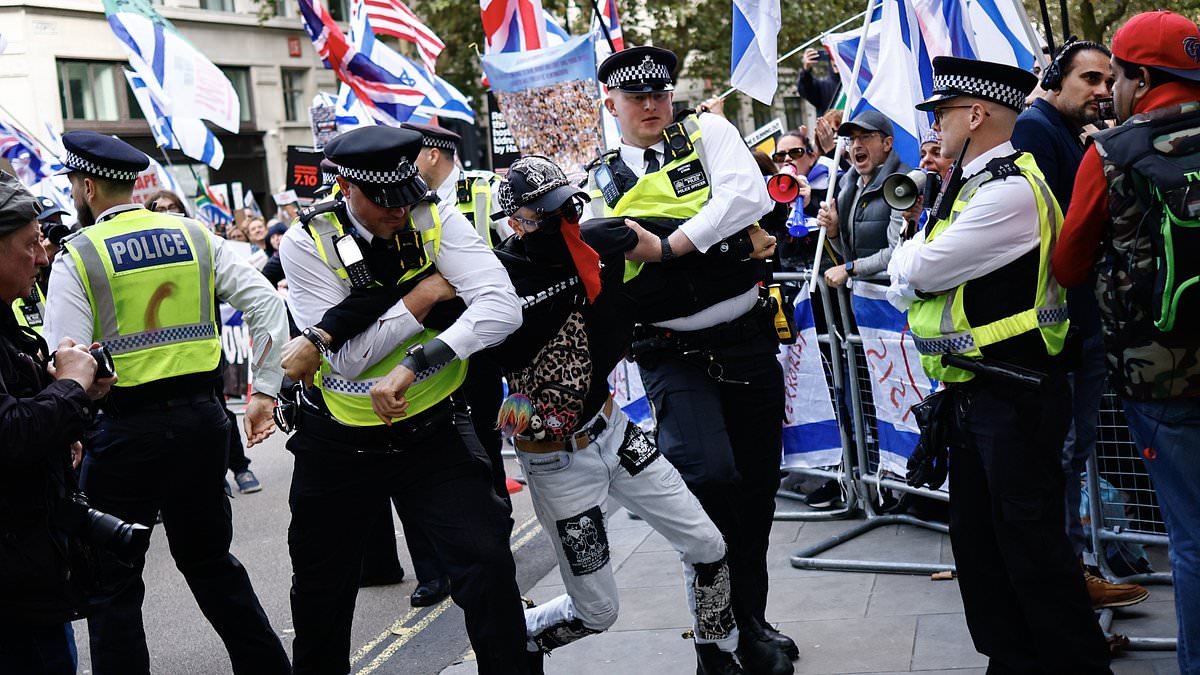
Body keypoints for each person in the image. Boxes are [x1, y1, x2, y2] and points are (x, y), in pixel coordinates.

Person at [276, 125, 530, 675]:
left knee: (487, 568)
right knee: (320, 594)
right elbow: (348, 360)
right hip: (339, 441)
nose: (401, 212)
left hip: (433, 430)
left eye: (407, 195)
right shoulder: (305, 240)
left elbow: (503, 307)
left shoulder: (432, 213)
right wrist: (426, 293)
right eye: (385, 201)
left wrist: (420, 360)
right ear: (347, 188)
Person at [887, 56, 1111, 672]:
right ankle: (1010, 658)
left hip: (1016, 396)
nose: (936, 128)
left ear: (977, 114)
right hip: (976, 394)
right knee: (982, 548)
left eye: (944, 114)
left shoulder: (1010, 190)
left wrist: (910, 262)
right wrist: (913, 256)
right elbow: (916, 264)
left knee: (1031, 550)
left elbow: (918, 272)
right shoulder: (972, 183)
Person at [42, 130, 292, 675]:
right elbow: (268, 307)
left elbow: (69, 360)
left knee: (113, 585)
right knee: (211, 564)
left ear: (86, 186)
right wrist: (264, 392)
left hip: (123, 432)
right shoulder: (197, 236)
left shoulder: (78, 255)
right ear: (132, 184)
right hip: (203, 426)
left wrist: (69, 436)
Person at [583, 45, 795, 674]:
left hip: (748, 343)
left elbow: (745, 197)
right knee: (709, 482)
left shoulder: (709, 130)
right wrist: (705, 237)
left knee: (755, 496)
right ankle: (715, 636)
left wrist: (669, 243)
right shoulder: (596, 181)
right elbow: (608, 253)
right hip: (672, 354)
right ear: (611, 104)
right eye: (636, 97)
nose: (651, 106)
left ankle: (748, 624)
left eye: (659, 93)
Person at [1052, 11, 1200, 672]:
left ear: (1141, 79)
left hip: (1160, 372)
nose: (1110, 89)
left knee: (1193, 536)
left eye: (1116, 76)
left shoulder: (1111, 152)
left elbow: (1068, 263)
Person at [1012, 37, 1151, 610]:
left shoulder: (1068, 132)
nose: (1101, 91)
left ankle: (1073, 580)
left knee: (1077, 452)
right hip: (1064, 329)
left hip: (1085, 324)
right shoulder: (1037, 130)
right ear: (1054, 80)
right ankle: (1068, 588)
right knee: (1066, 455)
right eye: (1089, 80)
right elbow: (1060, 231)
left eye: (1107, 80)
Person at [0, 171, 120, 674]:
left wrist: (72, 396)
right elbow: (9, 434)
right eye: (31, 244)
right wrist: (68, 390)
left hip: (30, 568)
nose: (43, 257)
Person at [396, 121, 511, 608]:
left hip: (476, 348)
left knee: (481, 450)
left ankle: (493, 541)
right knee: (410, 459)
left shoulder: (487, 189)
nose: (402, 164)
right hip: (414, 347)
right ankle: (431, 570)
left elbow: (519, 251)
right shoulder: (397, 201)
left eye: (411, 154)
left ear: (433, 155)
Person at [817, 110, 910, 288]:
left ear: (887, 143)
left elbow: (896, 251)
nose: (856, 145)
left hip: (894, 301)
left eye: (866, 136)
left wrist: (849, 269)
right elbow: (850, 253)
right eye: (851, 139)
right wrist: (833, 231)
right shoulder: (848, 186)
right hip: (862, 301)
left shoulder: (902, 185)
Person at [796, 48, 841, 114]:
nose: (835, 61)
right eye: (832, 57)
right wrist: (806, 71)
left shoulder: (855, 83)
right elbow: (805, 88)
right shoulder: (822, 86)